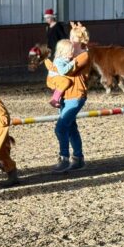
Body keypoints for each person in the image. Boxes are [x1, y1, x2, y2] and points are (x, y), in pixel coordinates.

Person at [44, 34, 91, 174]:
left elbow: (66, 71)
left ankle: (64, 158)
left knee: (61, 128)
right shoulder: (66, 60)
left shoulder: (82, 56)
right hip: (66, 97)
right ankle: (78, 158)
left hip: (75, 96)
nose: (72, 41)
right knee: (70, 128)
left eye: (73, 38)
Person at [47, 39, 77, 108]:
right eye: (70, 50)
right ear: (64, 52)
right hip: (53, 79)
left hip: (57, 78)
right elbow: (62, 72)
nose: (73, 51)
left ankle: (58, 100)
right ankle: (54, 99)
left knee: (65, 82)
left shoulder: (65, 59)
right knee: (66, 81)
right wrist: (72, 63)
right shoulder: (59, 61)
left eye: (73, 50)